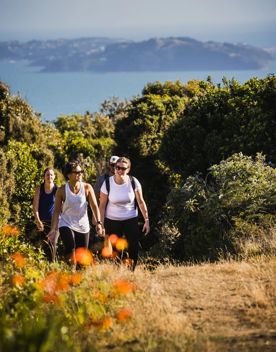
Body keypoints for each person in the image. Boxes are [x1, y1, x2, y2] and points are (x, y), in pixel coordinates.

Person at [99, 157, 150, 270]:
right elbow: (102, 205)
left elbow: (141, 202)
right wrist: (101, 223)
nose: (120, 170)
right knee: (116, 248)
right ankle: (118, 270)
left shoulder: (133, 182)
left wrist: (146, 220)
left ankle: (131, 270)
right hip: (112, 219)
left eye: (123, 168)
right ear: (114, 168)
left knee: (133, 246)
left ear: (128, 169)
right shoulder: (107, 183)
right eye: (118, 167)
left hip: (130, 218)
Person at [48, 160, 103, 264]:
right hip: (66, 223)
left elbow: (94, 206)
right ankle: (69, 275)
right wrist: (53, 229)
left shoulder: (87, 187)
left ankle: (79, 278)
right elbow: (56, 212)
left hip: (83, 225)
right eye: (77, 172)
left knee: (82, 257)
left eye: (81, 171)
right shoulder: (62, 190)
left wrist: (99, 223)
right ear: (68, 175)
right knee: (71, 247)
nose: (80, 174)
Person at [32, 167, 58, 261]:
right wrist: (38, 221)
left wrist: (57, 225)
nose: (49, 176)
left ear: (54, 177)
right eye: (47, 174)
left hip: (54, 223)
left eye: (51, 174)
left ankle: (53, 266)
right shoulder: (39, 189)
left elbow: (61, 209)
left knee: (53, 244)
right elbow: (35, 208)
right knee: (42, 246)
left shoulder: (57, 190)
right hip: (41, 222)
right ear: (44, 177)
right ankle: (42, 267)